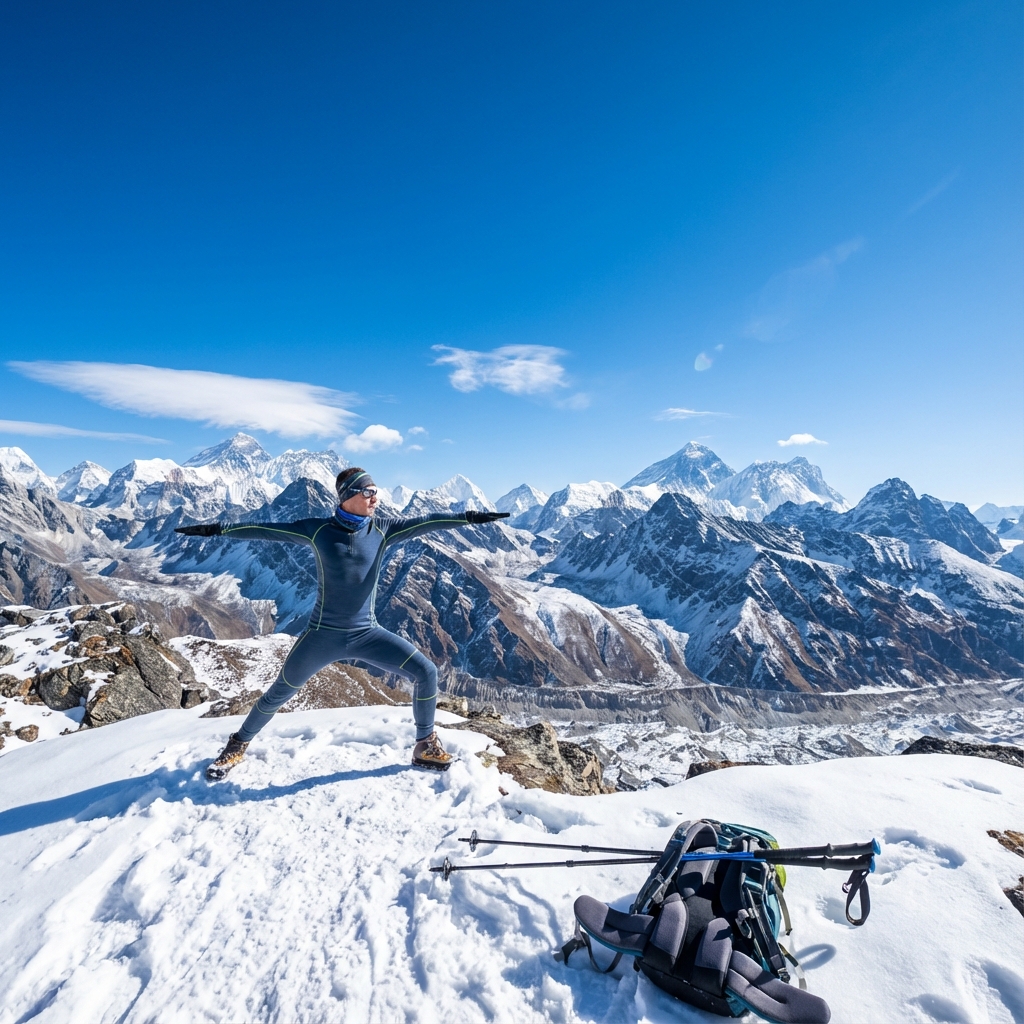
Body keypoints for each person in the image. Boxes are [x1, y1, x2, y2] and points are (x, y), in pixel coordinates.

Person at [175, 468, 509, 779]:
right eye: (369, 492)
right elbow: (265, 531)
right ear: (347, 495)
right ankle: (236, 746)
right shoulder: (318, 530)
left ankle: (425, 746)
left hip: (367, 633)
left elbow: (428, 522)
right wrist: (217, 529)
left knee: (426, 672)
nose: (375, 498)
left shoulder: (383, 529)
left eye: (376, 491)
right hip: (323, 636)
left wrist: (470, 518)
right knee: (279, 693)